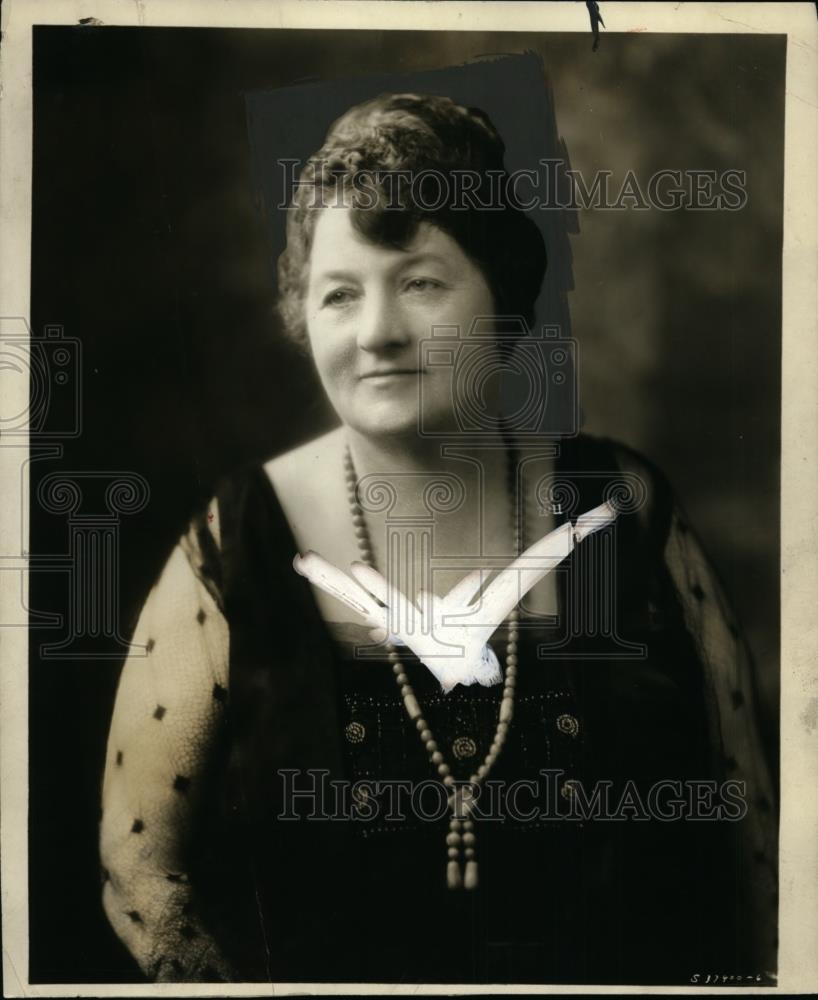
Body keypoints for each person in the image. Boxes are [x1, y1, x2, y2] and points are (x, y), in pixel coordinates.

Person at [99, 92, 777, 985]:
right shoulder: (235, 541)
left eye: (419, 281)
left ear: (499, 291)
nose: (377, 331)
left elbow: (757, 850)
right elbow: (140, 870)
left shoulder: (625, 509)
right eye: (339, 294)